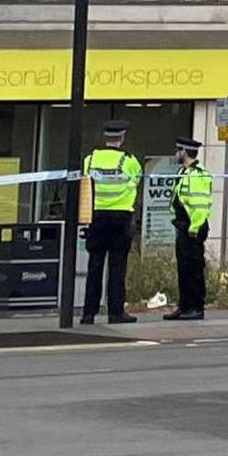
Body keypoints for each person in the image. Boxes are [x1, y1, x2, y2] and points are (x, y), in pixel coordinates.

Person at [76, 120, 141, 325]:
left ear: (106, 138)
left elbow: (84, 184)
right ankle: (115, 312)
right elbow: (136, 180)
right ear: (121, 139)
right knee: (117, 267)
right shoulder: (129, 161)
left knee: (94, 265)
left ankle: (89, 313)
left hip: (96, 217)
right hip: (121, 218)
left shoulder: (90, 159)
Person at [158, 139, 215, 321]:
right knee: (184, 269)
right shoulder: (185, 172)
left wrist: (194, 228)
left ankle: (195, 307)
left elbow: (200, 205)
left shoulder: (197, 175)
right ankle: (184, 306)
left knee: (193, 269)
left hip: (193, 228)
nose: (176, 153)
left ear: (185, 152)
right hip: (184, 226)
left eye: (178, 150)